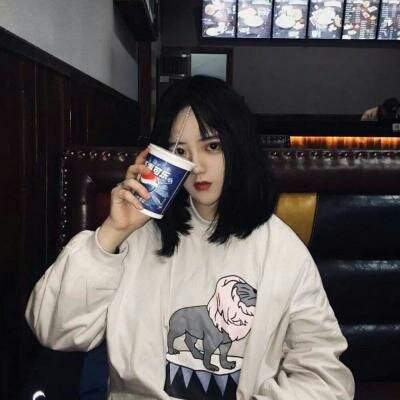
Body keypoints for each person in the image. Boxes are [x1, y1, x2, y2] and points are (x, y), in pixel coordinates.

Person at [25, 76, 354, 400]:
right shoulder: (137, 235)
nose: (196, 166)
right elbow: (55, 331)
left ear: (239, 146)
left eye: (212, 146)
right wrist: (114, 231)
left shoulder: (281, 249)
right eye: (180, 150)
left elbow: (326, 378)